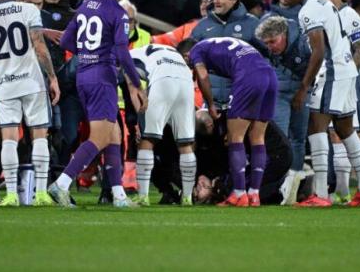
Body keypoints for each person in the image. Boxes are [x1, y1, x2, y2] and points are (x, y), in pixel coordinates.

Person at [48, 0, 147, 208]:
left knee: (112, 135)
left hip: (83, 74)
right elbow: (123, 54)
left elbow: (67, 41)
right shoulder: (118, 13)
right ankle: (61, 184)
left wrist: (89, 51)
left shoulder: (85, 5)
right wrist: (136, 83)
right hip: (103, 77)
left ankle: (119, 196)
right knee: (100, 138)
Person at [278, 0, 360, 207]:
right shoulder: (322, 2)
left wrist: (303, 87)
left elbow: (319, 50)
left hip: (332, 71)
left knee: (316, 126)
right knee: (345, 128)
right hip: (345, 70)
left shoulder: (308, 10)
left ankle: (321, 195)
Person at [0, 0, 60, 207]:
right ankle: (41, 194)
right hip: (31, 82)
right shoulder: (29, 10)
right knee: (40, 134)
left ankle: (11, 195)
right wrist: (52, 77)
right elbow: (40, 47)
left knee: (9, 139)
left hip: (5, 85)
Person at [177, 36, 277, 207]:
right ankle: (254, 194)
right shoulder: (218, 42)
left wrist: (210, 104)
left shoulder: (196, 51)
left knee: (234, 137)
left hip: (248, 77)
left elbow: (202, 75)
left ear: (186, 56)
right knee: (257, 137)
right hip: (270, 76)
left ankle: (238, 194)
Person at [311, 0, 360, 204]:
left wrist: (345, 75)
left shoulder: (348, 15)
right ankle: (346, 192)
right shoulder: (325, 17)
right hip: (332, 82)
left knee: (358, 134)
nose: (314, 0)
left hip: (352, 84)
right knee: (338, 133)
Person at [131, 43, 196, 206]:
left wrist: (140, 122)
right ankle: (187, 197)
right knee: (185, 143)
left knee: (147, 140)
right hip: (186, 81)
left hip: (162, 81)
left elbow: (134, 91)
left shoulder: (127, 57)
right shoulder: (171, 51)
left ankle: (143, 197)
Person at [255, 15, 310, 205]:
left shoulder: (304, 42)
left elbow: (317, 61)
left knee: (299, 138)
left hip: (303, 90)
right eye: (267, 43)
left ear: (284, 34)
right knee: (280, 139)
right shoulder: (264, 44)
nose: (271, 46)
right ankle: (274, 185)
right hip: (278, 93)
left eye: (273, 41)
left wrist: (304, 90)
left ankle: (293, 184)